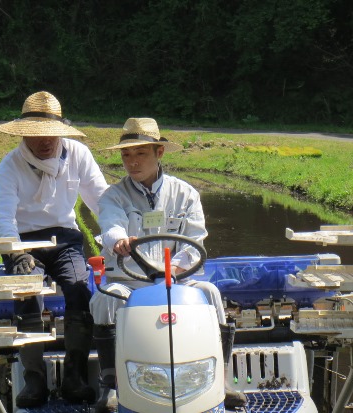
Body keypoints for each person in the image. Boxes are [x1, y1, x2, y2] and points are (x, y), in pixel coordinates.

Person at [89, 118, 247, 412]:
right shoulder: (114, 195)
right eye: (126, 155)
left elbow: (195, 239)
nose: (132, 162)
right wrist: (119, 241)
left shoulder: (186, 194)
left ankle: (220, 380)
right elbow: (111, 225)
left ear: (159, 153)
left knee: (210, 292)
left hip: (178, 280)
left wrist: (174, 268)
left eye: (140, 154)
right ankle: (111, 382)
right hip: (130, 279)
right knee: (105, 298)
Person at [0, 91, 108, 408]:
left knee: (78, 289)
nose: (45, 142)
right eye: (36, 135)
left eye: (51, 134)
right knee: (27, 292)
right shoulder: (9, 166)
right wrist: (16, 253)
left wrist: (116, 234)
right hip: (24, 240)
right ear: (23, 133)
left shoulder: (78, 155)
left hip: (64, 238)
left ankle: (75, 376)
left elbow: (102, 200)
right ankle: (34, 379)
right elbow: (3, 215)